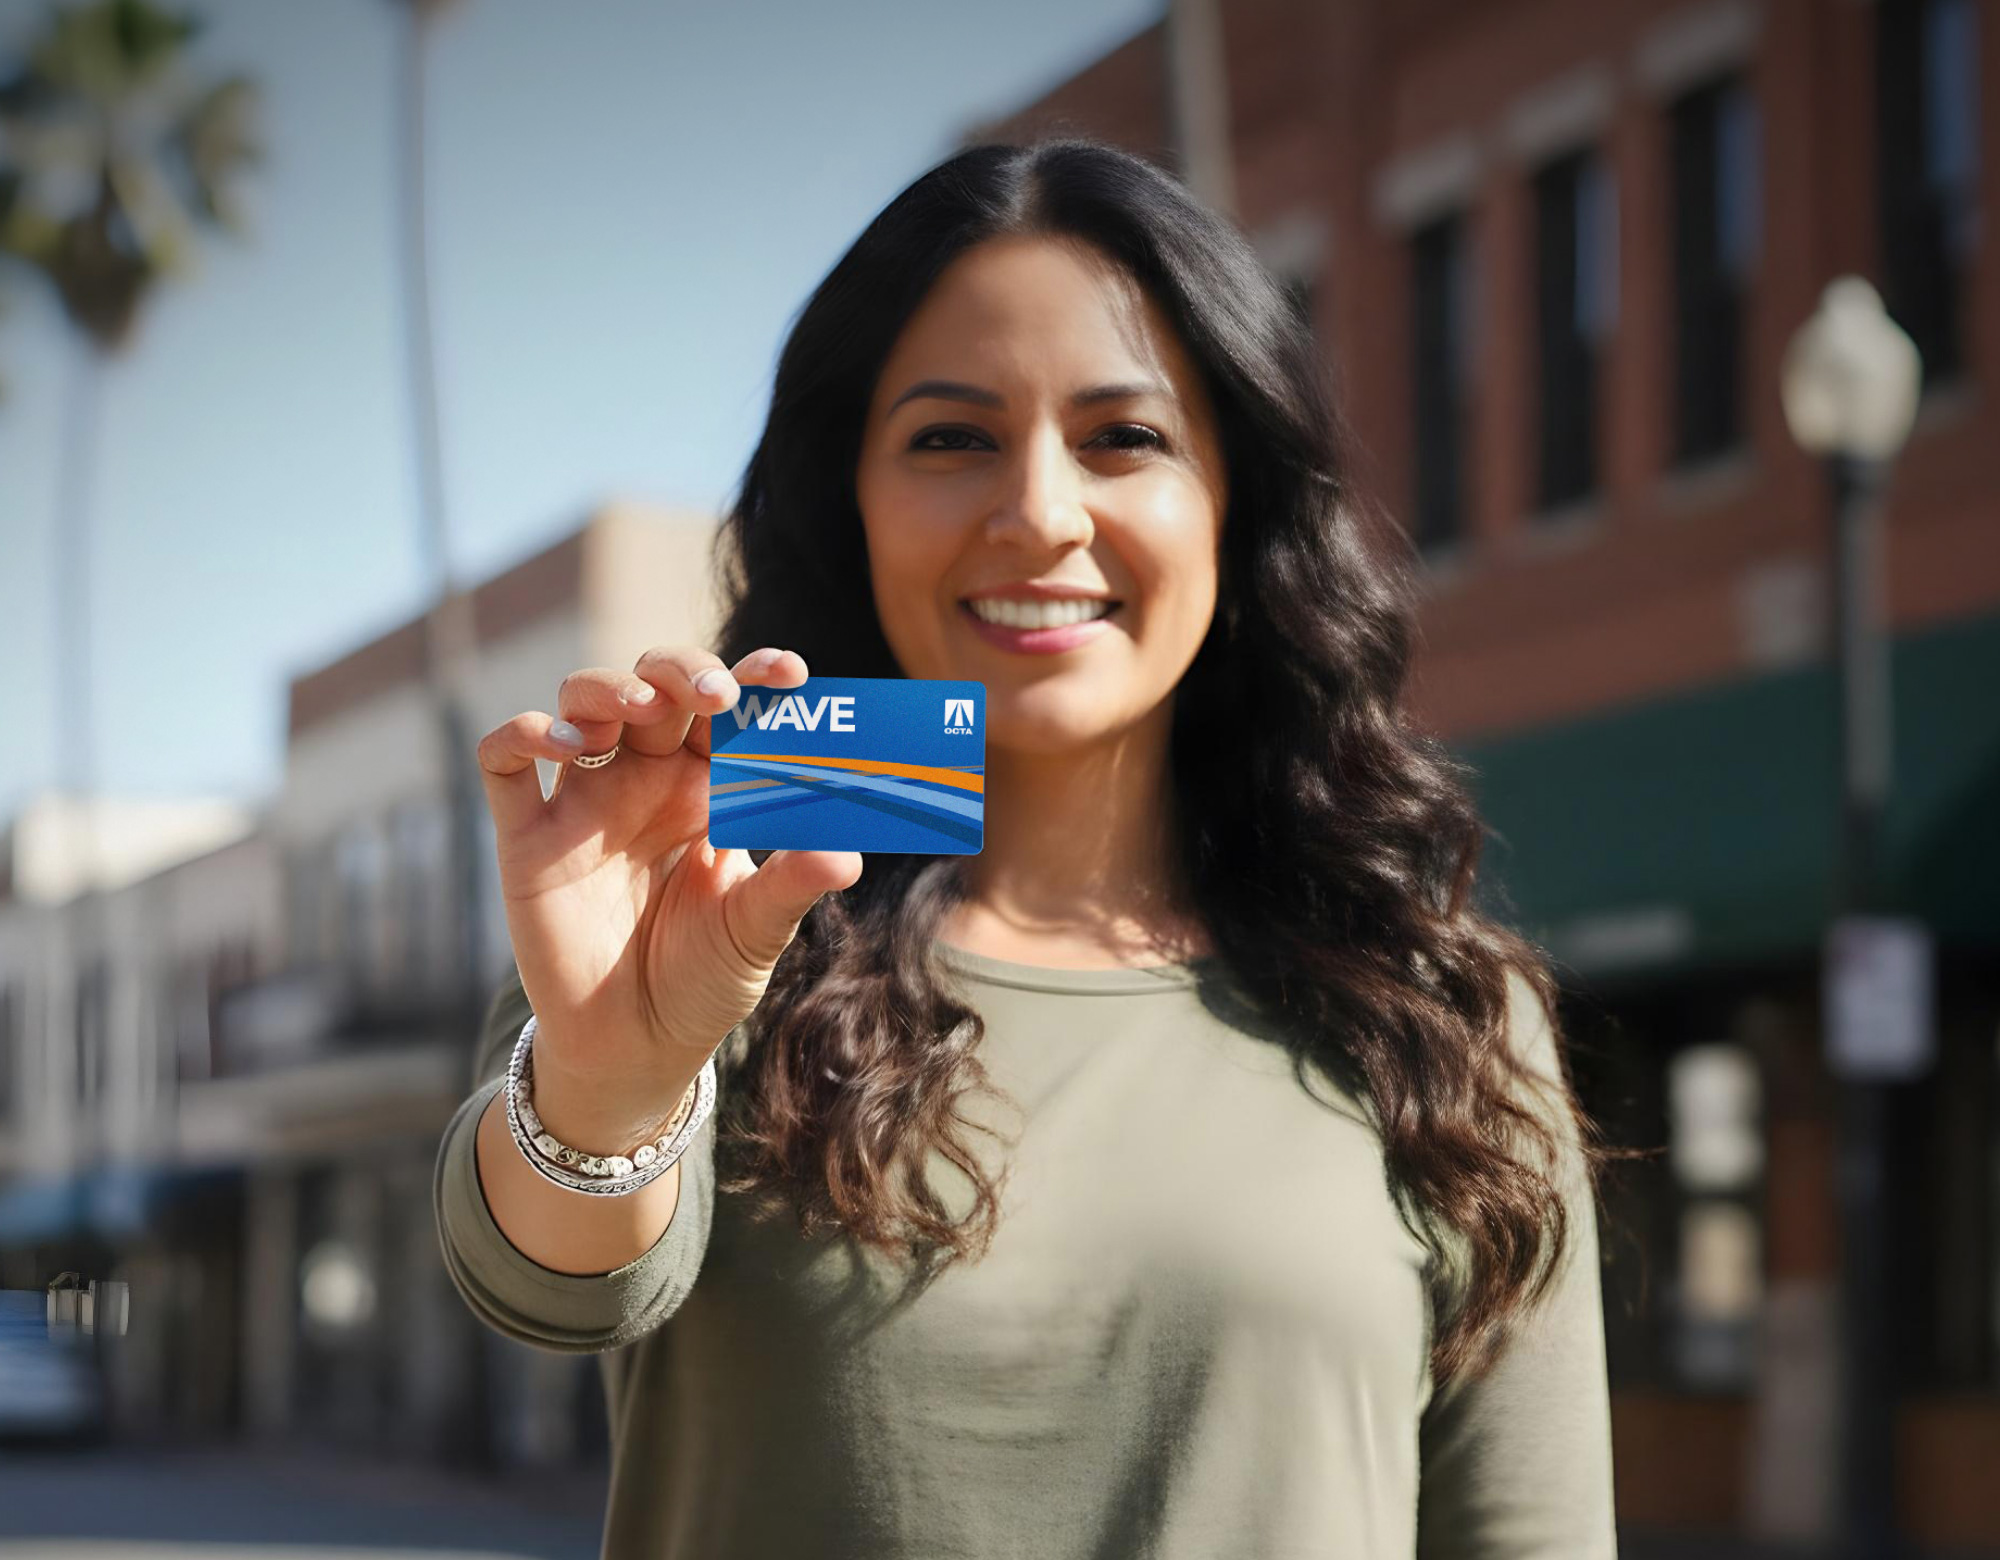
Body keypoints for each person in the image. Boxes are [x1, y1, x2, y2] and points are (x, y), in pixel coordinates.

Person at [436, 135, 1627, 1559]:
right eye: (952, 438)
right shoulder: (711, 913)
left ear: (1233, 503)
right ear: (851, 498)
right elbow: (552, 1287)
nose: (1040, 514)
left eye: (1124, 438)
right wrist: (607, 1089)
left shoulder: (1436, 1005)